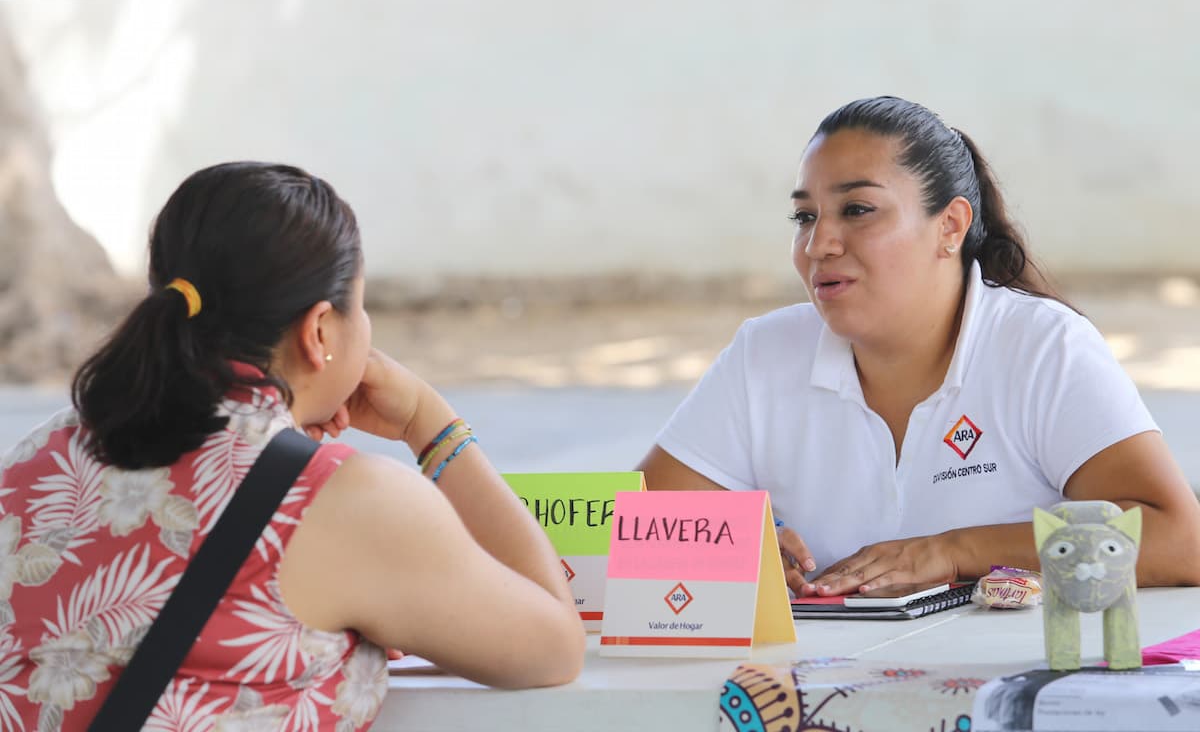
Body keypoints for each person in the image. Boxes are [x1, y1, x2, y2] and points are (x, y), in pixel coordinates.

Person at [0, 162, 584, 730]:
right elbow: (555, 645)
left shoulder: (43, 451)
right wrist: (433, 428)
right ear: (320, 330)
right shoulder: (346, 501)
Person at [638, 96, 1200, 598]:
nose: (818, 244)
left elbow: (1178, 539)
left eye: (857, 210)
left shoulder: (1042, 347)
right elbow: (635, 530)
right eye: (805, 216)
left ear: (950, 226)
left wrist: (953, 551)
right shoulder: (763, 354)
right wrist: (747, 547)